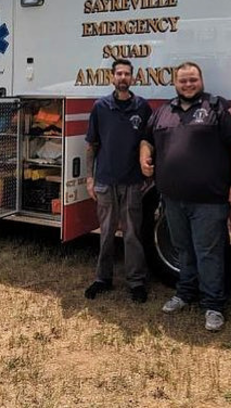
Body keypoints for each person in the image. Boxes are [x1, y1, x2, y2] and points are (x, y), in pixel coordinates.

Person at [139, 62, 231, 332]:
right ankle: (184, 293)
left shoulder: (217, 107)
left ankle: (213, 306)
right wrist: (144, 154)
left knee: (208, 253)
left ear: (201, 80)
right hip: (172, 199)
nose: (188, 84)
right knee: (183, 249)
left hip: (209, 200)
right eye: (183, 80)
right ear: (174, 83)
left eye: (193, 80)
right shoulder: (164, 111)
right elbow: (146, 138)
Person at [84, 58, 153, 303]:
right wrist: (90, 178)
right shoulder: (100, 107)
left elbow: (149, 142)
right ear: (112, 78)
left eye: (127, 74)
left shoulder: (143, 108)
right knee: (106, 232)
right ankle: (103, 278)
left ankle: (136, 281)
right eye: (119, 73)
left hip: (132, 182)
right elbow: (92, 145)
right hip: (104, 181)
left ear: (133, 78)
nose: (123, 78)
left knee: (133, 233)